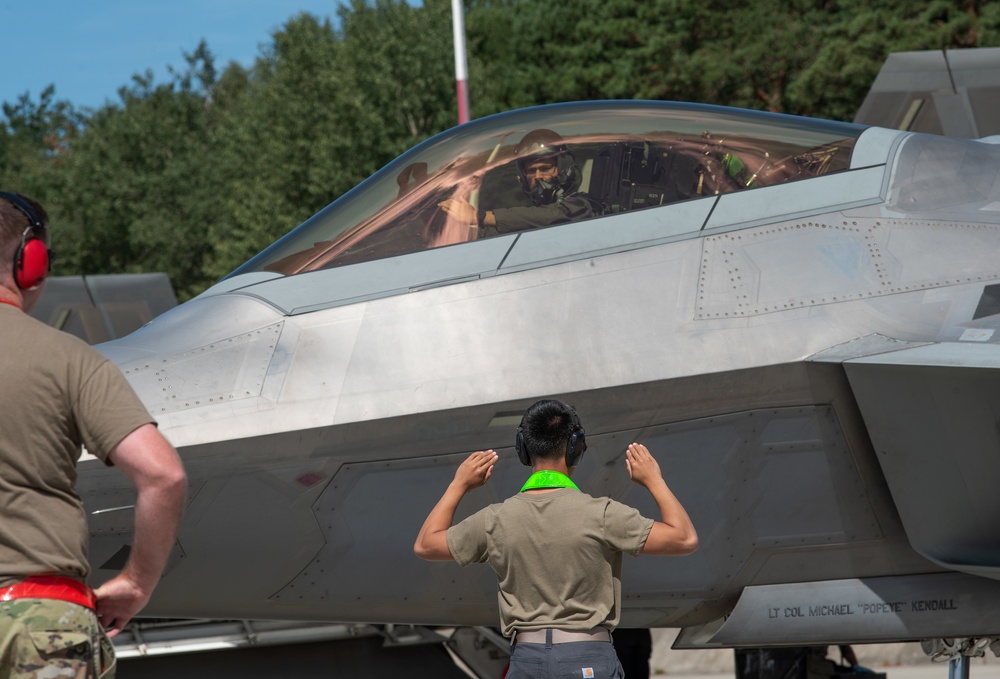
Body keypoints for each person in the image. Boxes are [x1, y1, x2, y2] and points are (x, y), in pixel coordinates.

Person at [0, 191, 187, 678]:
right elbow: (161, 475)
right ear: (31, 263)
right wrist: (136, 583)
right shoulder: (67, 358)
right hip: (37, 624)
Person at [414, 399, 698, 679]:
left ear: (523, 450)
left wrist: (459, 484)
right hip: (588, 657)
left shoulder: (494, 519)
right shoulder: (602, 514)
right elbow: (684, 539)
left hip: (527, 660)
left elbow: (426, 545)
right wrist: (654, 480)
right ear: (576, 448)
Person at [438, 129, 601, 236]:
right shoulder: (526, 220)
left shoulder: (582, 205)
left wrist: (479, 216)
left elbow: (553, 215)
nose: (537, 176)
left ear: (564, 169)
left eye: (544, 168)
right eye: (531, 171)